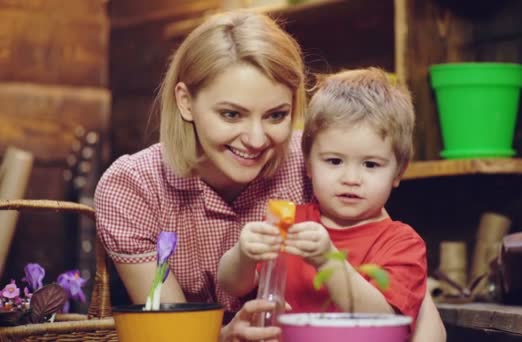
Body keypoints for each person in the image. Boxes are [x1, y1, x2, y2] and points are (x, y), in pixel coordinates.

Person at [95, 9, 444, 341]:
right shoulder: (133, 187)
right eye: (232, 114)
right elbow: (168, 332)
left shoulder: (320, 161)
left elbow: (392, 271)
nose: (257, 139)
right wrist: (225, 337)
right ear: (186, 102)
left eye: (276, 115)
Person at [218, 68, 429, 334]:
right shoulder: (289, 221)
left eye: (371, 164)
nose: (351, 178)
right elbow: (231, 284)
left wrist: (329, 261)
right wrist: (243, 254)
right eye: (334, 161)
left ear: (398, 171)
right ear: (308, 164)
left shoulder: (403, 244)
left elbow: (384, 320)